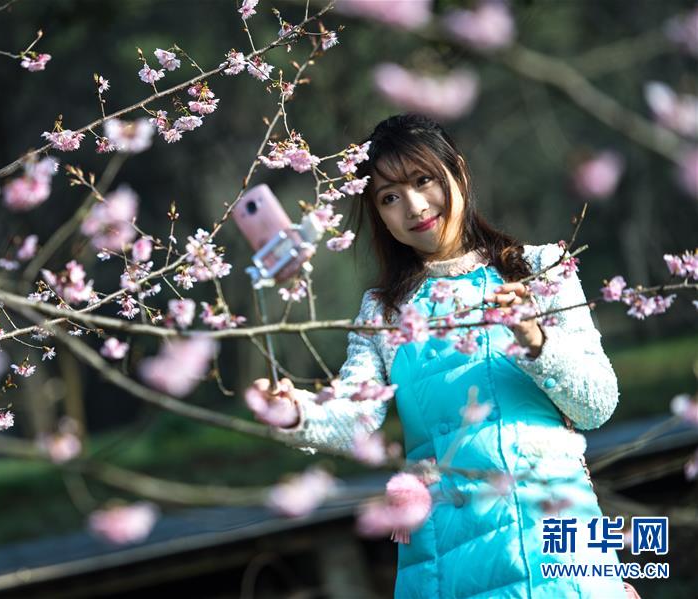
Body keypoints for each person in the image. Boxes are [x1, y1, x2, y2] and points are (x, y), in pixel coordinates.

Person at [248, 114, 638, 598]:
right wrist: (293, 414)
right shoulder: (384, 311)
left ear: (460, 173)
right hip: (445, 561)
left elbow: (597, 404)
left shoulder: (541, 271)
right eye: (389, 197)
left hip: (557, 548)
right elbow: (354, 412)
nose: (412, 206)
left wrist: (536, 340)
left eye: (423, 180)